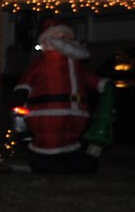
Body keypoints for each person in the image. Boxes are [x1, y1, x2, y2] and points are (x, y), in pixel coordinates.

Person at [16, 19, 107, 174]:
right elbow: (28, 79)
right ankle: (45, 160)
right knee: (50, 137)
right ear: (47, 40)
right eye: (61, 36)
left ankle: (72, 159)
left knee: (70, 136)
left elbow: (89, 78)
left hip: (76, 112)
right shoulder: (42, 63)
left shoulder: (76, 65)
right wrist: (21, 93)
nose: (66, 40)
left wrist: (103, 84)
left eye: (68, 37)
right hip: (48, 110)